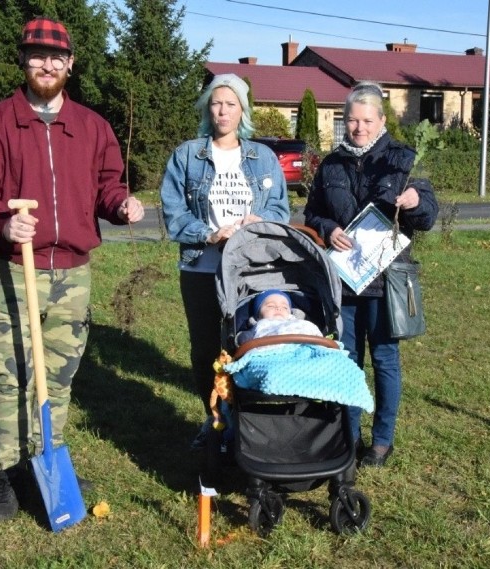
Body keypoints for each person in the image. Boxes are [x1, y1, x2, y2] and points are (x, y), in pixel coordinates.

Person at [0, 16, 145, 521]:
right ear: (23, 60)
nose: (47, 64)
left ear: (71, 64)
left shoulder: (92, 126)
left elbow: (107, 185)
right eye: (37, 55)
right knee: (9, 375)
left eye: (57, 57)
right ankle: (7, 474)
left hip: (72, 273)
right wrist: (0, 223)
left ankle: (47, 462)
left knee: (57, 378)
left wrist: (121, 203)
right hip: (16, 271)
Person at [304, 81, 438, 468]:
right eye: (352, 120)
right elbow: (313, 212)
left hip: (386, 279)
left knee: (384, 358)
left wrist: (414, 202)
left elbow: (428, 215)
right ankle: (349, 435)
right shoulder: (331, 163)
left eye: (366, 120)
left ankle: (381, 442)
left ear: (381, 120)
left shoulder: (403, 159)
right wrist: (328, 229)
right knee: (347, 360)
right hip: (344, 279)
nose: (358, 127)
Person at [160, 73, 291, 450]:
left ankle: (250, 427)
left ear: (242, 111)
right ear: (207, 108)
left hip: (250, 270)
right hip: (201, 267)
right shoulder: (187, 155)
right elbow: (173, 212)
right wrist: (209, 233)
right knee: (204, 351)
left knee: (247, 344)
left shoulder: (263, 157)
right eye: (216, 103)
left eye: (231, 104)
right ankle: (215, 421)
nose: (222, 110)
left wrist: (260, 222)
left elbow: (281, 208)